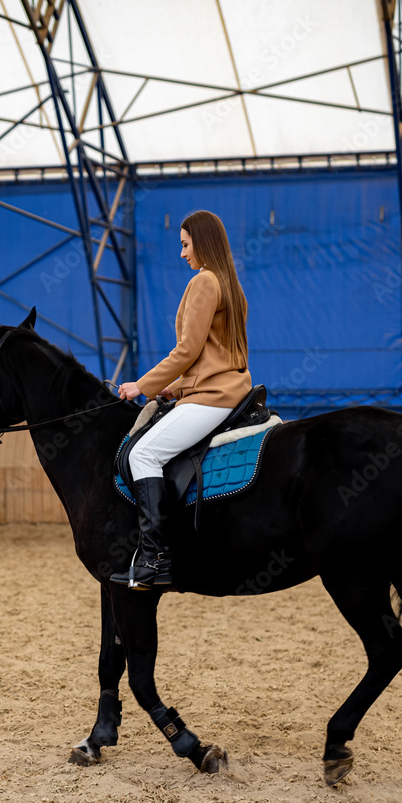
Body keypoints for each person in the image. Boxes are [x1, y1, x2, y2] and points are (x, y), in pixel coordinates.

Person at [110, 210, 252, 591]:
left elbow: (187, 349)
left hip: (213, 398)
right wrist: (178, 387)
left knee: (142, 454)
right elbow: (216, 353)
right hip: (225, 389)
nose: (182, 253)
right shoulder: (231, 285)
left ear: (202, 242)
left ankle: (156, 558)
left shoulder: (204, 281)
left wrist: (144, 385)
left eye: (185, 244)